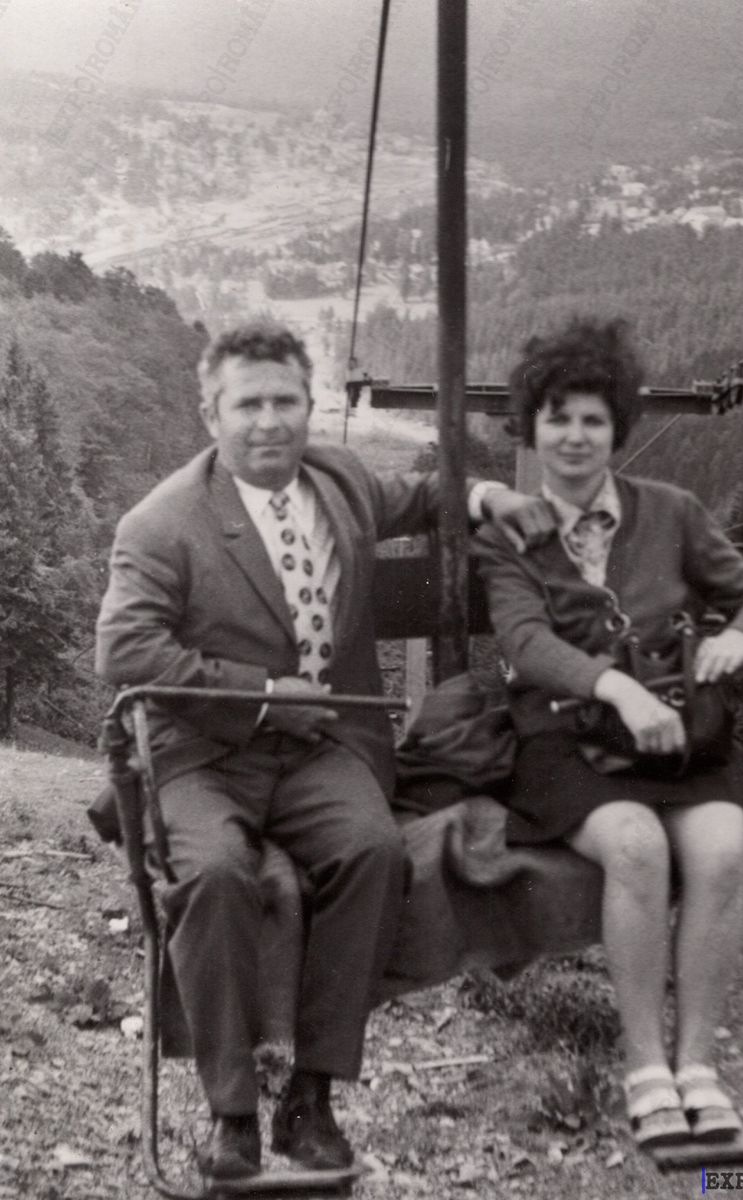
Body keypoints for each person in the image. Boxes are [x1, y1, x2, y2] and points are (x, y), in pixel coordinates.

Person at [95, 320, 551, 1181]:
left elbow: (421, 494)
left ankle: (311, 1097)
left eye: (286, 402)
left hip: (322, 750)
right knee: (214, 874)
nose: (269, 422)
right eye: (247, 405)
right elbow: (124, 651)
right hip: (204, 752)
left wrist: (489, 494)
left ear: (311, 407)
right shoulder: (163, 523)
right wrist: (263, 696)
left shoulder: (338, 480)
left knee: (374, 851)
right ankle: (231, 1112)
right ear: (211, 415)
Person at [474, 318, 743, 1151]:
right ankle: (646, 1067)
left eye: (593, 420)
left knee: (721, 847)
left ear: (617, 430)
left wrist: (737, 637)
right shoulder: (510, 537)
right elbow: (525, 643)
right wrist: (614, 686)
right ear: (530, 427)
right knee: (637, 846)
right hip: (567, 737)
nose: (574, 437)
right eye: (557, 419)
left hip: (676, 735)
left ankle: (699, 1067)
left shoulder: (672, 513)